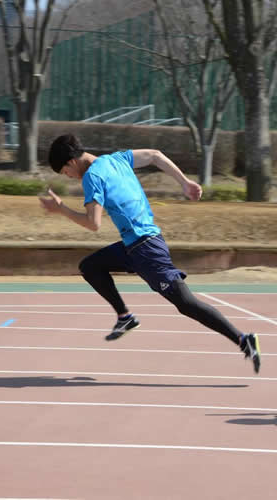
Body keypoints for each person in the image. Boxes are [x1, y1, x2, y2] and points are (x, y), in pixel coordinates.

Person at [38, 134, 261, 373]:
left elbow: (94, 224)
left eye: (65, 173)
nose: (68, 177)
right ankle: (125, 317)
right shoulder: (117, 159)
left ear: (71, 163)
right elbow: (155, 155)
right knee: (91, 266)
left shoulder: (92, 177)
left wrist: (61, 209)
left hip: (146, 249)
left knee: (186, 303)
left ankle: (242, 339)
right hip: (133, 246)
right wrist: (184, 182)